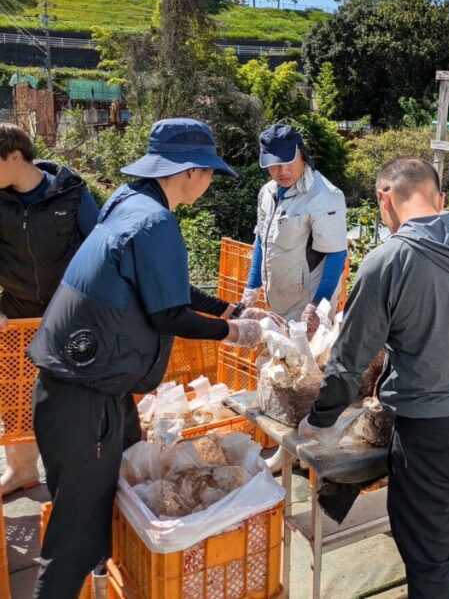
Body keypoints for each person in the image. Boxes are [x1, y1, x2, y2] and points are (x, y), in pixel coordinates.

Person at [27, 118, 267, 598]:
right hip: (84, 397)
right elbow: (169, 314)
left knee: (120, 496)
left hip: (88, 389)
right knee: (76, 535)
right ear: (191, 172)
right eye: (209, 174)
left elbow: (168, 287)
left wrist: (228, 308)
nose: (208, 184)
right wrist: (238, 331)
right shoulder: (154, 220)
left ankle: (105, 583)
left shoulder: (129, 201)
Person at [299, 158, 449, 599]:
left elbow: (349, 361)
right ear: (437, 197)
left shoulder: (387, 261)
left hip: (432, 436)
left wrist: (319, 420)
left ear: (385, 197)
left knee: (430, 557)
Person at [0, 123, 100, 495]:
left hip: (67, 315)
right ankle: (22, 471)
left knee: (72, 397)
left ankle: (76, 478)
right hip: (16, 313)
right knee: (14, 397)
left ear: (14, 157)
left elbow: (99, 249)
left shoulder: (71, 193)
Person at [243, 124, 348, 329]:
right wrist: (252, 288)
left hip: (307, 307)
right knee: (275, 358)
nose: (283, 171)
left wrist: (317, 305)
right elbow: (261, 240)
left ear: (302, 155)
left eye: (289, 162)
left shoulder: (324, 196)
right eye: (275, 165)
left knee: (304, 360)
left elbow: (336, 254)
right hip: (276, 300)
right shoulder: (267, 193)